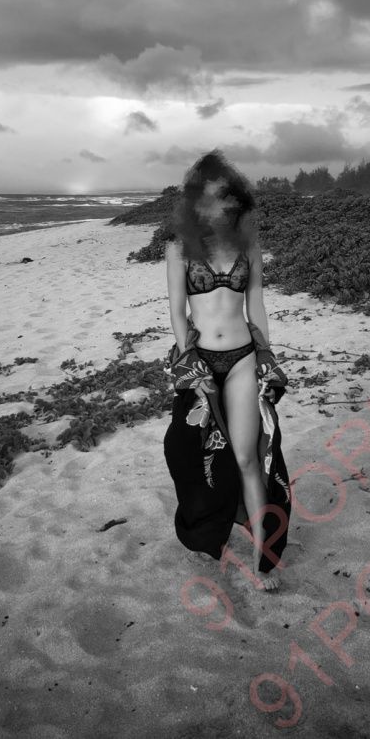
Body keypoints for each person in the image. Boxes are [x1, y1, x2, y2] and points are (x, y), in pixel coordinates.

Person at [163, 149, 291, 591]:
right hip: (200, 360)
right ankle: (210, 525)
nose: (215, 204)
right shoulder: (178, 248)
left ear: (235, 199)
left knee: (247, 457)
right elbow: (177, 313)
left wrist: (266, 356)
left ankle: (262, 562)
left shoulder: (249, 247)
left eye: (223, 196)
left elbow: (257, 305)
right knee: (186, 452)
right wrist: (189, 361)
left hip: (241, 359)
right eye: (206, 196)